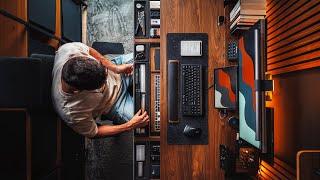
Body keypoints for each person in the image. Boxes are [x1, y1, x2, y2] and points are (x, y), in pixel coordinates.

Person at [52, 42, 149, 138]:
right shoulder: (71, 113)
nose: (106, 81)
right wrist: (130, 125)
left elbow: (89, 50)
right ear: (78, 91)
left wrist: (115, 68)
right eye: (101, 85)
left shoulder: (69, 50)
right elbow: (95, 132)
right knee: (152, 119)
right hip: (115, 103)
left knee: (149, 55)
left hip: (117, 69)